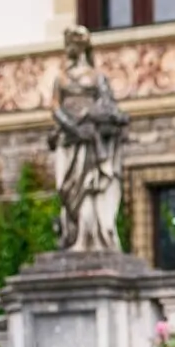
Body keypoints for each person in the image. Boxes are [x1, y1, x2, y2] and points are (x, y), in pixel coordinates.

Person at [49, 26, 129, 251]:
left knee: (89, 186)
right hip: (70, 140)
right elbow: (55, 107)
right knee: (67, 187)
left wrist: (91, 118)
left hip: (90, 141)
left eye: (71, 45)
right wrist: (73, 127)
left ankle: (89, 237)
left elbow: (107, 105)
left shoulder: (97, 78)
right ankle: (75, 235)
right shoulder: (61, 79)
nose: (68, 50)